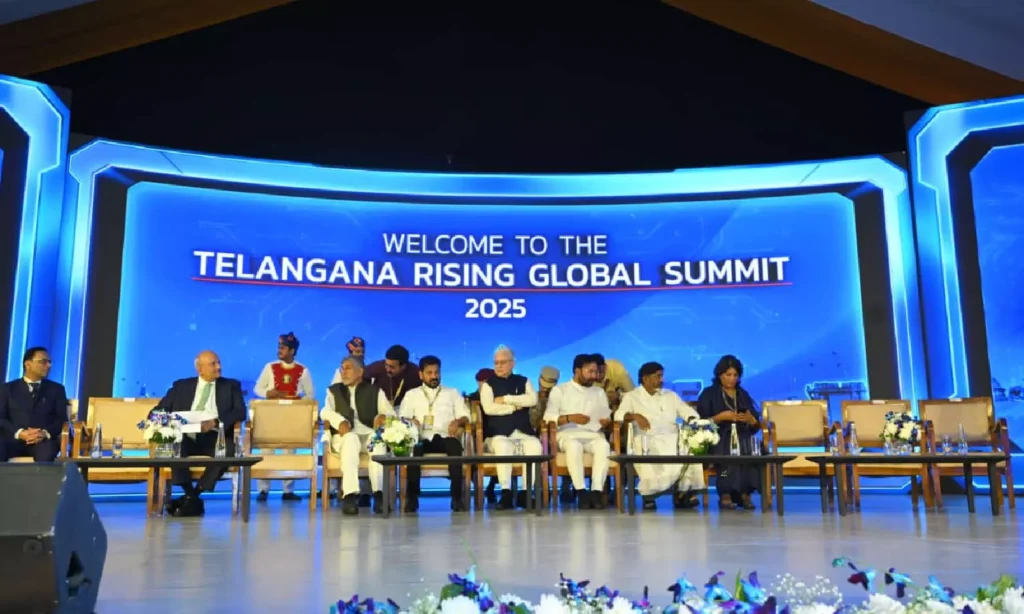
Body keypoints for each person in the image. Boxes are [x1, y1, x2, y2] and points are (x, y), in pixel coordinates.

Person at [155, 350, 247, 517]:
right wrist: (170, 421)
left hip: (214, 436)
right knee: (173, 447)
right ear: (200, 369)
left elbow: (240, 412)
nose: (218, 367)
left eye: (219, 362)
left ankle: (193, 495)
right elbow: (158, 411)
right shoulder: (181, 386)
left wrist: (215, 422)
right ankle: (191, 496)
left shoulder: (231, 386)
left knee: (228, 450)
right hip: (186, 437)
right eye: (213, 364)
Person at [616, 361, 704, 511]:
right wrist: (634, 415)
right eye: (658, 376)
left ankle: (684, 493)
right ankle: (649, 496)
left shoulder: (670, 395)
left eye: (662, 376)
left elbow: (685, 411)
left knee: (689, 447)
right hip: (647, 436)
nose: (661, 380)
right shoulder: (632, 396)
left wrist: (691, 419)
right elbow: (618, 416)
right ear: (645, 378)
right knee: (645, 450)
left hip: (672, 436)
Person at [321, 355, 395, 515]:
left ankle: (379, 495)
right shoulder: (334, 390)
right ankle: (349, 495)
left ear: (360, 372)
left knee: (377, 441)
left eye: (348, 368)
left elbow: (390, 413)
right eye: (342, 369)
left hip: (368, 433)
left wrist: (382, 416)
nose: (343, 372)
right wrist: (340, 421)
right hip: (345, 436)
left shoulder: (375, 391)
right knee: (351, 439)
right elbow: (325, 411)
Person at [400, 355, 469, 512]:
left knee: (455, 447)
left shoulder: (452, 392)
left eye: (436, 372)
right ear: (421, 375)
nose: (434, 376)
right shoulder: (412, 394)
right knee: (414, 449)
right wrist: (411, 421)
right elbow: (402, 417)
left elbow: (465, 415)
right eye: (429, 373)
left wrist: (458, 421)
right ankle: (412, 498)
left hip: (445, 436)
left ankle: (456, 498)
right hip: (421, 436)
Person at [543, 354, 611, 510]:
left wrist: (606, 421)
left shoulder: (599, 392)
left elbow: (605, 415)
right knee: (574, 446)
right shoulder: (560, 390)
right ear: (577, 371)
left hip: (593, 434)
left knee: (604, 446)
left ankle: (596, 491)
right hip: (567, 434)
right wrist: (570, 418)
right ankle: (581, 491)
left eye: (595, 372)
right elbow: (548, 418)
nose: (594, 376)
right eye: (590, 371)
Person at [253, 332, 315, 502]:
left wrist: (299, 400)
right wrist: (268, 393)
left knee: (290, 451)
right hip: (271, 415)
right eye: (279, 347)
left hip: (291, 416)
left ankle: (288, 490)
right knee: (267, 450)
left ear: (292, 351)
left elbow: (310, 395)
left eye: (284, 347)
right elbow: (257, 389)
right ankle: (263, 490)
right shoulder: (270, 367)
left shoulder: (303, 370)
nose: (279, 350)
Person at [696, 354, 761, 510]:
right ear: (720, 375)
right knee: (727, 451)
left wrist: (750, 420)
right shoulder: (709, 394)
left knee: (751, 448)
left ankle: (745, 493)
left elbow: (755, 424)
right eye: (728, 375)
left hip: (742, 434)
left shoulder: (742, 394)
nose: (732, 379)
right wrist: (719, 418)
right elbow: (701, 423)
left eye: (735, 375)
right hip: (718, 437)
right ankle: (725, 493)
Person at [480, 345, 541, 510]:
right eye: (496, 363)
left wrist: (506, 399)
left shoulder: (524, 381)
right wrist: (514, 407)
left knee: (535, 445)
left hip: (522, 432)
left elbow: (532, 400)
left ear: (512, 363)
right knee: (503, 446)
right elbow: (489, 408)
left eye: (503, 362)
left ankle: (525, 493)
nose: (499, 366)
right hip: (498, 434)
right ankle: (506, 492)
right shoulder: (488, 385)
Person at [0, 347, 68, 463]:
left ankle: (42, 476)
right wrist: (20, 433)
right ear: (28, 364)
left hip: (42, 441)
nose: (48, 366)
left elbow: (61, 418)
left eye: (49, 362)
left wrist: (44, 433)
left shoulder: (57, 389)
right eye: (43, 362)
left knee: (47, 451)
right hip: (12, 439)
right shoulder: (7, 389)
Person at [333, 344, 421, 406]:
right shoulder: (377, 367)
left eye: (392, 367)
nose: (387, 369)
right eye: (386, 365)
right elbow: (360, 377)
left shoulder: (416, 373)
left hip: (404, 410)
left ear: (403, 366)